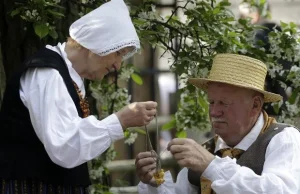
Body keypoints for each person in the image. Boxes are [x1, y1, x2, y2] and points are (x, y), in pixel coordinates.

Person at [0, 0, 157, 193]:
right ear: (96, 43)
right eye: (117, 53)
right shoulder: (48, 74)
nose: (118, 65)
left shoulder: (67, 76)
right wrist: (120, 120)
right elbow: (64, 146)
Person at [135, 53, 300, 194]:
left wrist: (211, 165)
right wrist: (155, 183)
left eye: (224, 103)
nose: (214, 112)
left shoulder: (283, 139)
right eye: (211, 102)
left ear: (255, 105)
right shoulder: (207, 150)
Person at [239, 1, 291, 115]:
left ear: (257, 13)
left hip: (265, 100)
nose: (242, 19)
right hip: (270, 100)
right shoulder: (275, 32)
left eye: (245, 15)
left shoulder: (263, 32)